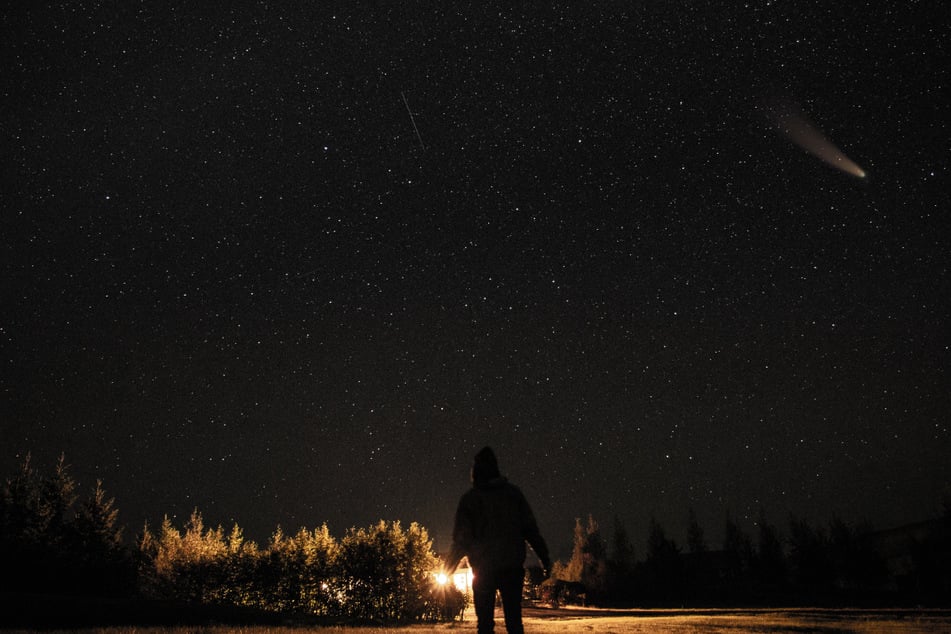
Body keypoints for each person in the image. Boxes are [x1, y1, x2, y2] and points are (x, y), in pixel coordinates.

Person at [445, 446, 551, 634]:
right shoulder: (513, 495)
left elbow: (461, 540)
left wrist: (448, 569)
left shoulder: (470, 500)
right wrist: (545, 558)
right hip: (511, 568)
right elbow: (530, 530)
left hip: (483, 571)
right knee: (514, 623)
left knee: (485, 626)